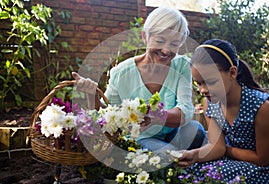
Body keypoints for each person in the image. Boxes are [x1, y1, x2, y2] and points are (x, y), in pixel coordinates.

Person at [72, 7, 206, 155]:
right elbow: (106, 113)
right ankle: (177, 167)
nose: (166, 50)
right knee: (168, 154)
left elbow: (186, 110)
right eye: (160, 41)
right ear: (145, 36)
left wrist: (158, 116)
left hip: (173, 133)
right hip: (140, 138)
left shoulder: (181, 65)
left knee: (196, 131)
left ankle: (188, 167)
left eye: (174, 44)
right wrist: (92, 95)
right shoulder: (121, 73)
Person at [177, 38, 269, 184]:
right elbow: (216, 146)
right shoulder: (210, 104)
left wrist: (225, 150)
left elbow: (262, 159)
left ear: (232, 73)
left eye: (210, 82)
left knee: (215, 173)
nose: (203, 90)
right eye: (198, 83)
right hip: (236, 160)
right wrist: (194, 154)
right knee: (194, 170)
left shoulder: (261, 107)